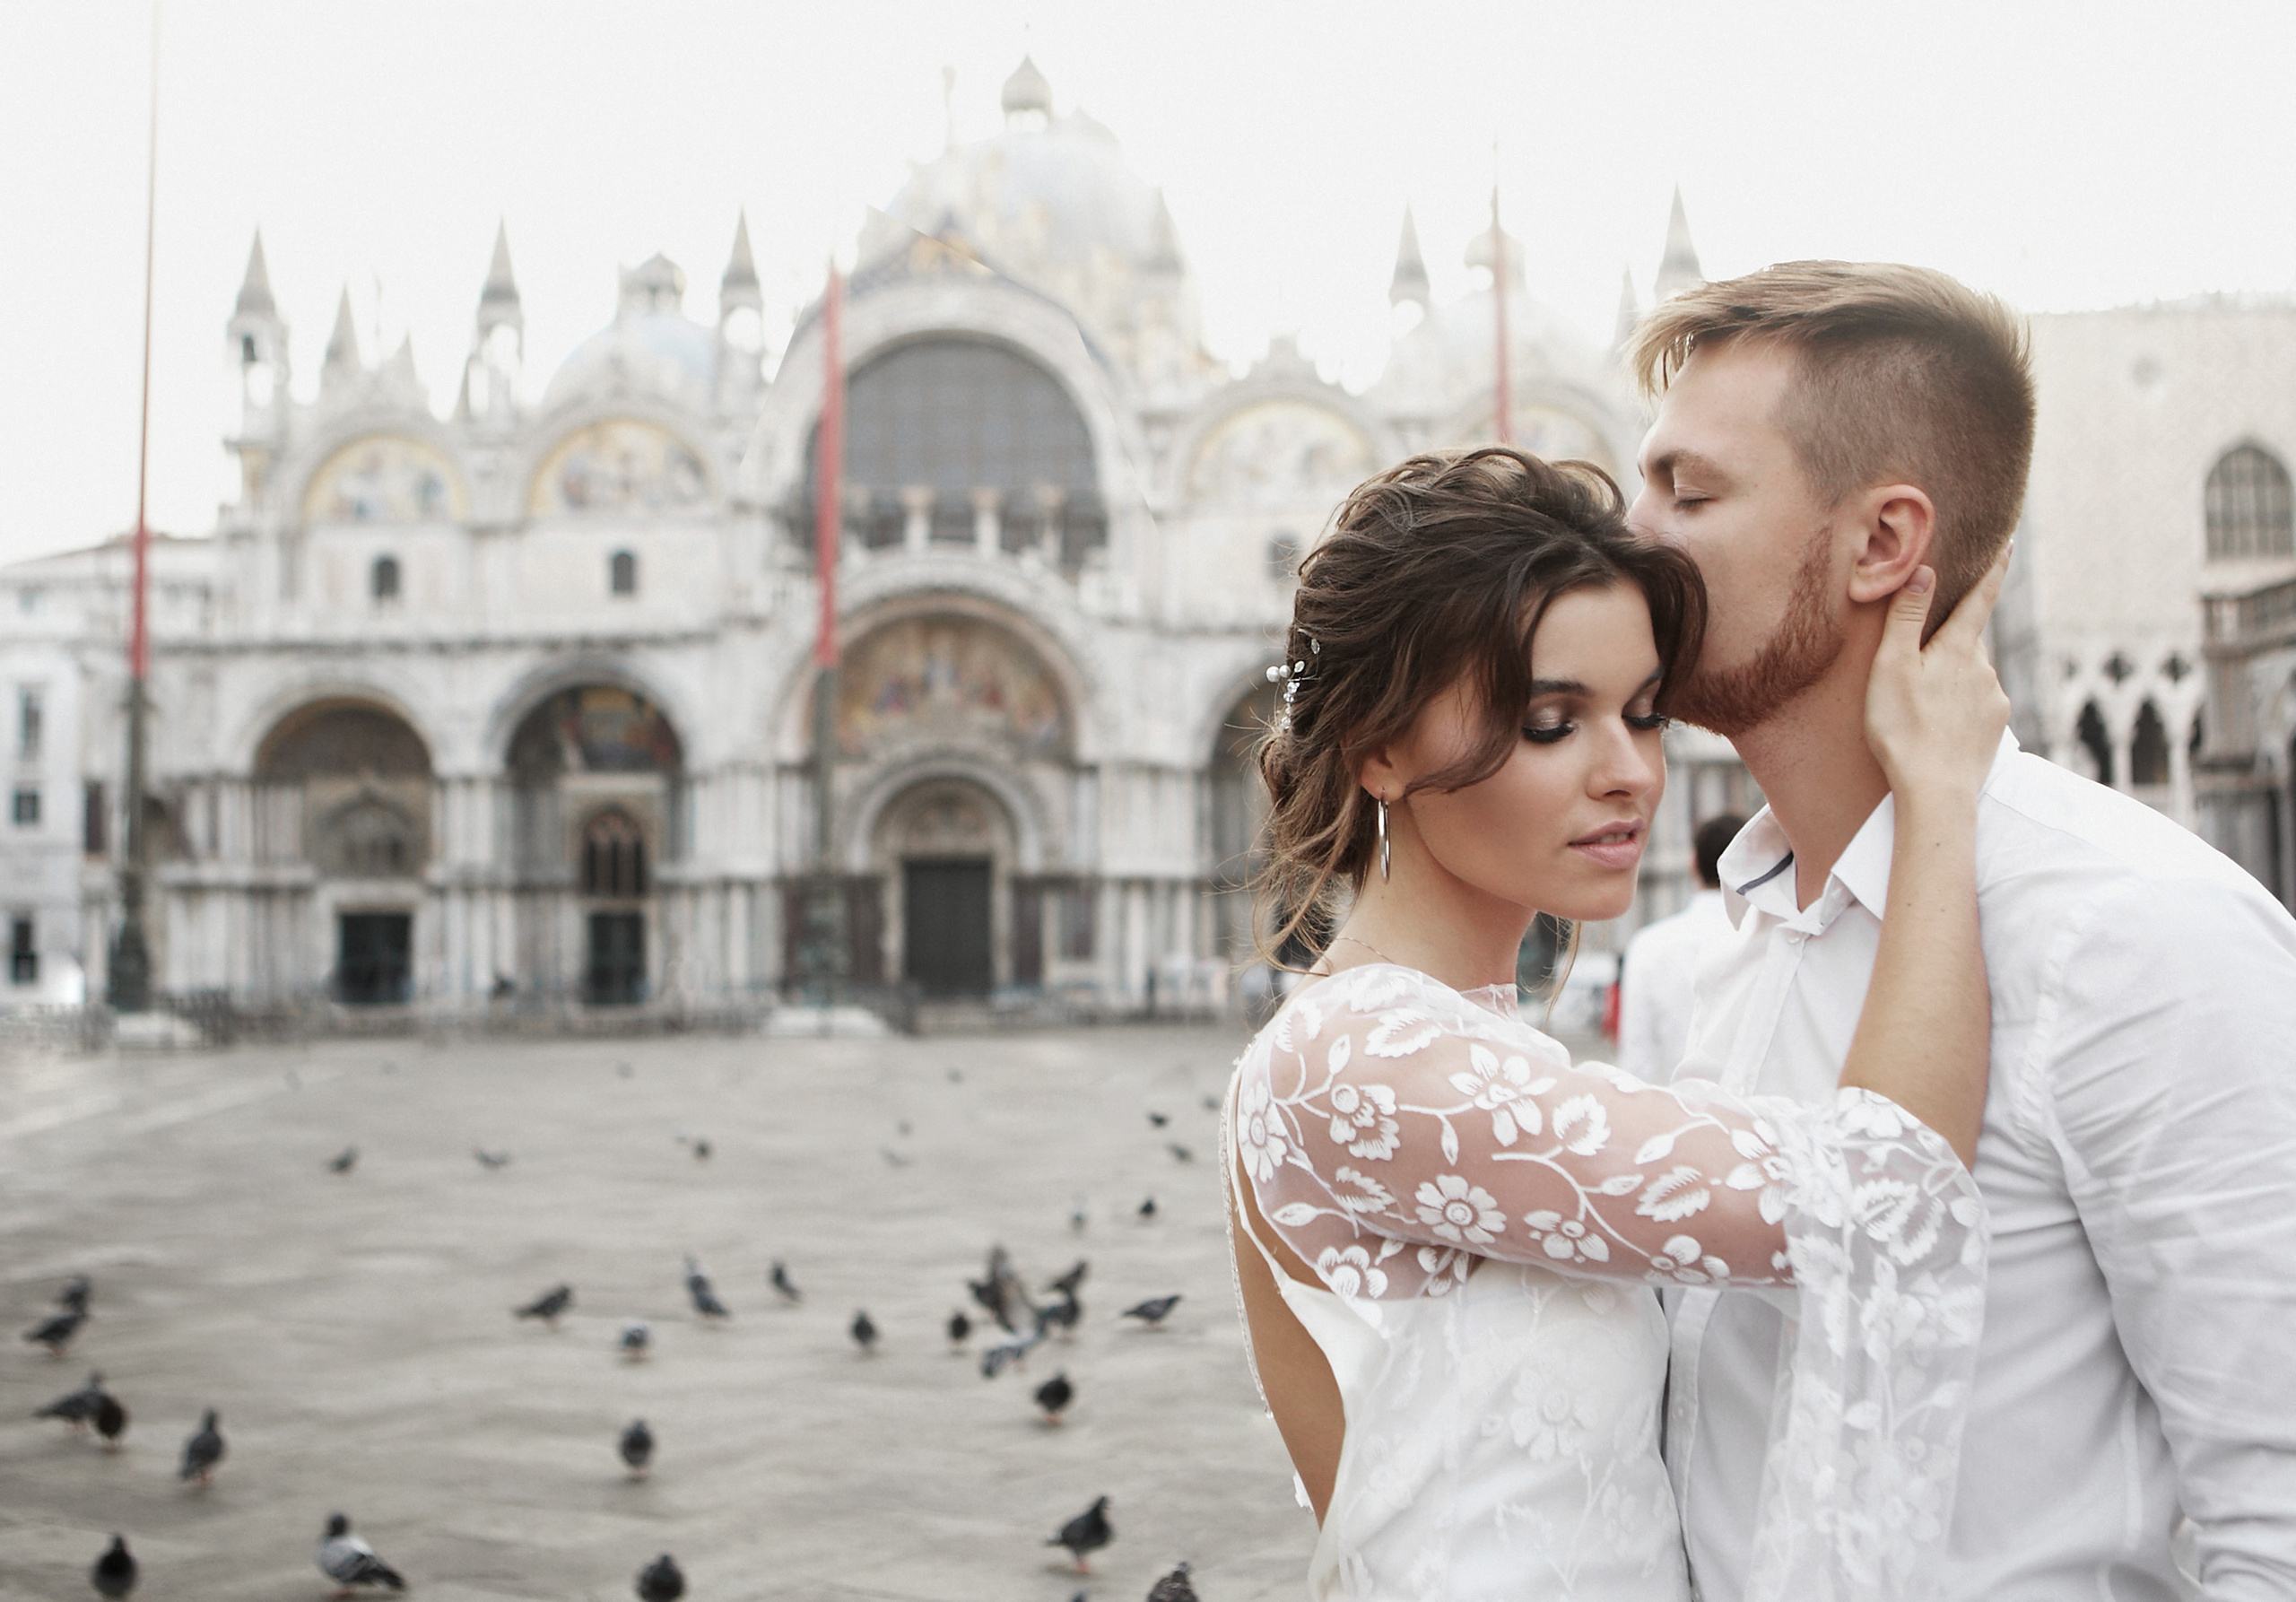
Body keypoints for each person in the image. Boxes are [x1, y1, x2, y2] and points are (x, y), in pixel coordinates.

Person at [1222, 444, 2008, 1600]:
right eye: (1551, 721)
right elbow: (1880, 1201)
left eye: (1644, 716)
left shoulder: (1458, 1044)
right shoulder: (1353, 1062)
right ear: (1380, 749)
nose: (1630, 773)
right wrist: (1938, 793)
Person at [1627, 262, 2296, 1599]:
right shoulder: (1739, 936)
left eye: (1687, 495)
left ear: (1882, 542)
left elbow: (2275, 1505)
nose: (1626, 537)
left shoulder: (2139, 934)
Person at [1615, 812, 1744, 1077]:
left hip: (1675, 1109)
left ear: (1693, 864)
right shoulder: (1772, 938)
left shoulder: (1649, 945)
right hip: (1757, 1114)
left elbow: (1637, 1060)